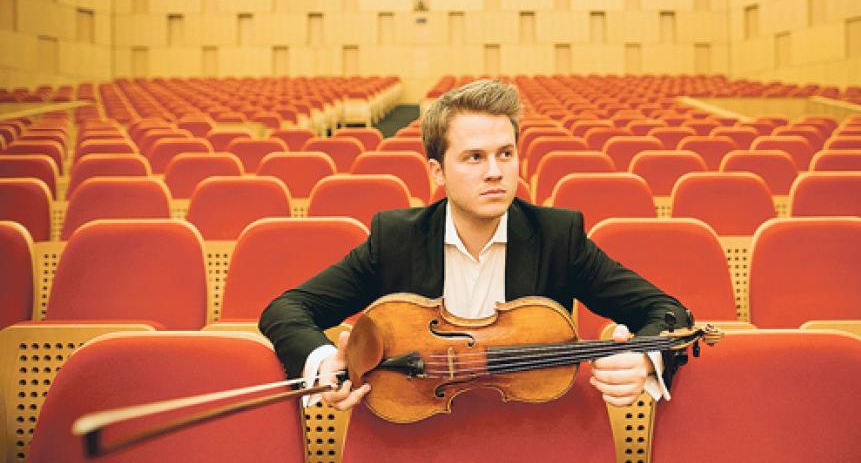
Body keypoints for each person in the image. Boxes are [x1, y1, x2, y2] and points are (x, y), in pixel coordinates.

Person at [260, 79, 690, 412]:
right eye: (474, 157)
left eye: (506, 154)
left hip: (531, 432)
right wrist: (324, 361)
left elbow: (668, 311)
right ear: (437, 171)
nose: (495, 172)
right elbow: (286, 309)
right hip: (420, 440)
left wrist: (644, 356)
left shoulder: (558, 237)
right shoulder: (396, 240)